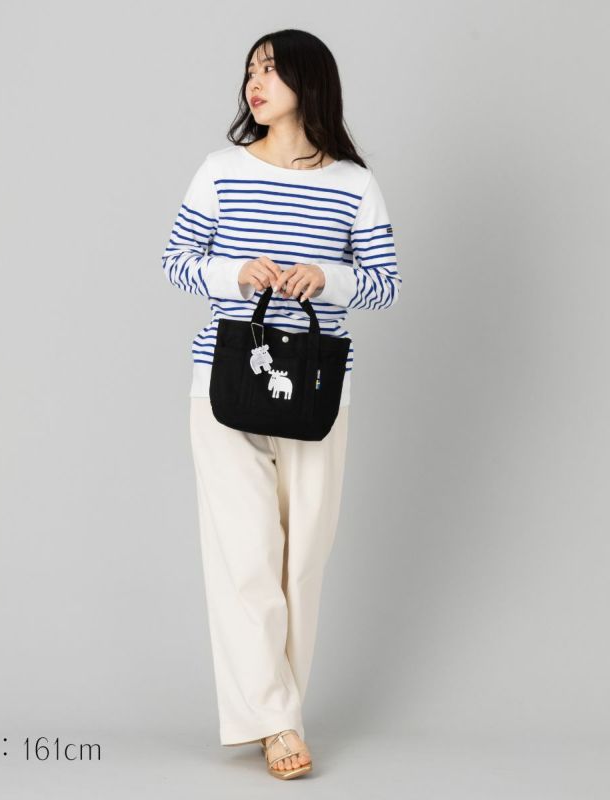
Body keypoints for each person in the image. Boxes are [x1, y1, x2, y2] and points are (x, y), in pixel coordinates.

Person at [160, 29, 402, 780]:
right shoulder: (221, 170)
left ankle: (275, 711)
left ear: (309, 81)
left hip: (319, 391)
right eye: (249, 71)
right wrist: (237, 273)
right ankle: (277, 723)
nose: (254, 83)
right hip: (225, 382)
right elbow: (176, 260)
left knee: (303, 565)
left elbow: (386, 283)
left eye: (269, 69)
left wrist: (326, 278)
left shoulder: (354, 183)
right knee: (247, 557)